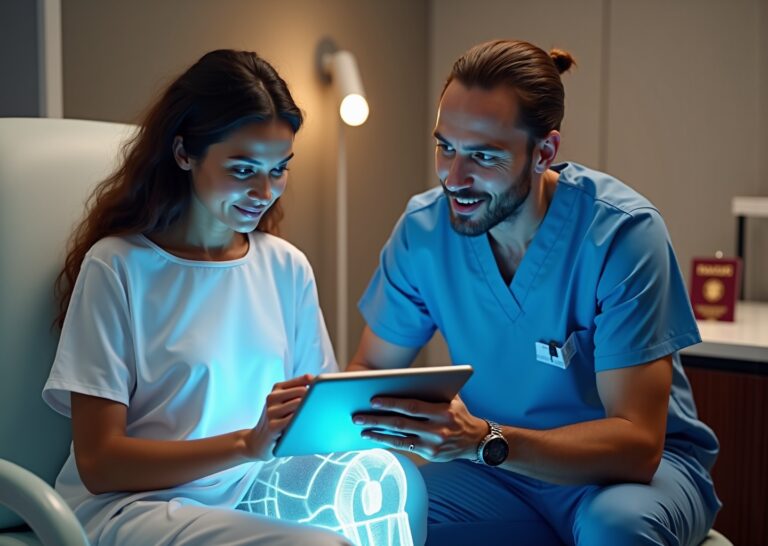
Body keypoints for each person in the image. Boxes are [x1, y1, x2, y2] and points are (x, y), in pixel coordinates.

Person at [348, 39, 721, 546]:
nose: (454, 178)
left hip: (620, 482)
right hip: (493, 472)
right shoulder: (424, 232)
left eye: (483, 155)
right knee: (385, 512)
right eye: (446, 147)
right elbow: (370, 372)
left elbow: (636, 445)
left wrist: (484, 439)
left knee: (617, 529)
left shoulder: (621, 235)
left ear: (544, 152)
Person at [42, 49, 422, 546]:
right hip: (133, 506)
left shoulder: (285, 267)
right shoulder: (116, 268)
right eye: (243, 169)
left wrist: (379, 424)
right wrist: (247, 443)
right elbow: (100, 463)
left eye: (279, 169)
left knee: (396, 482)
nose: (265, 191)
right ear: (184, 154)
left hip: (245, 486)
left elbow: (311, 421)